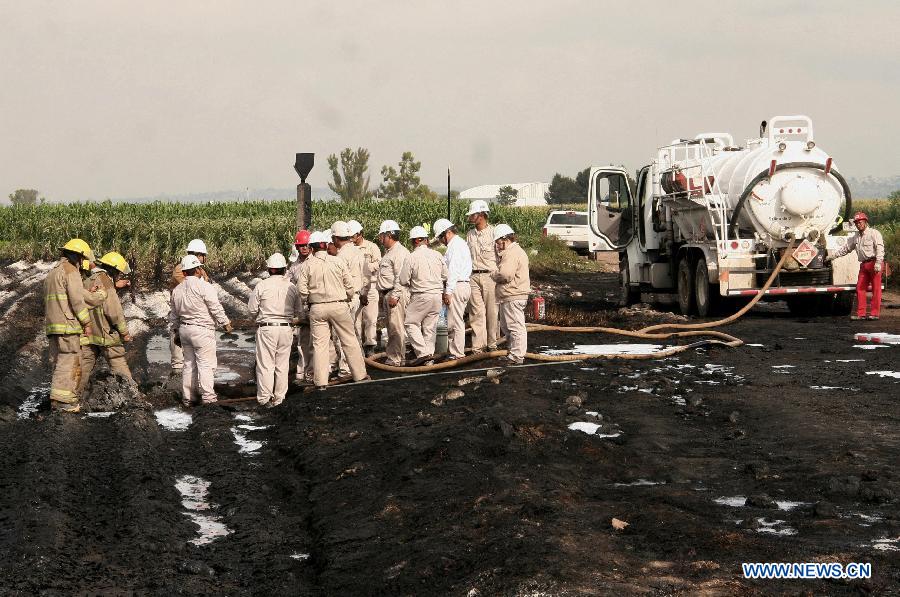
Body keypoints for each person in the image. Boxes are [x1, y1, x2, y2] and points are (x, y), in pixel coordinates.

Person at [297, 232, 368, 388]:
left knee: (320, 345)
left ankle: (321, 382)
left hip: (317, 308)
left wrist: (309, 300)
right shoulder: (338, 262)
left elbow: (301, 291)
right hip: (339, 305)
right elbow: (349, 286)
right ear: (327, 244)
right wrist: (348, 297)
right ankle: (360, 375)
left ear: (311, 248)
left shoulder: (306, 266)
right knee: (349, 340)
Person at [169, 255, 232, 406]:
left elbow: (174, 315)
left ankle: (188, 398)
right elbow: (215, 307)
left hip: (185, 330)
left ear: (184, 272)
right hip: (202, 331)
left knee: (189, 364)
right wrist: (225, 323)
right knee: (205, 364)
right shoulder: (204, 287)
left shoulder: (177, 290)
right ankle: (209, 398)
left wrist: (176, 331)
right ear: (198, 269)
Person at [44, 239, 98, 412]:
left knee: (59, 361)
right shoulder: (71, 271)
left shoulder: (53, 272)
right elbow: (76, 301)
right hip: (67, 325)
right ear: (79, 257)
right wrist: (87, 323)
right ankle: (62, 402)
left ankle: (60, 399)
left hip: (53, 325)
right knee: (69, 360)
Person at [249, 253, 302, 407]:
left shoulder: (261, 285)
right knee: (282, 365)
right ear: (284, 269)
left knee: (266, 365)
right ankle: (279, 399)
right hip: (285, 328)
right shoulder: (291, 287)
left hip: (267, 328)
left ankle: (265, 398)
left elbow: (252, 310)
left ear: (269, 269)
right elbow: (299, 310)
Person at [78, 251, 134, 395]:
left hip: (87, 331)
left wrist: (114, 285)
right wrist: (124, 333)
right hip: (105, 332)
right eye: (119, 273)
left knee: (84, 365)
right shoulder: (105, 281)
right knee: (117, 360)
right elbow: (113, 311)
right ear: (114, 270)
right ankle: (131, 395)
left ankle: (74, 396)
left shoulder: (89, 277)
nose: (119, 276)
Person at [399, 226, 448, 361]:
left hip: (421, 295)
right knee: (429, 327)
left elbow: (403, 280)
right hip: (437, 296)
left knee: (410, 323)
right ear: (426, 240)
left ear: (413, 242)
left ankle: (422, 353)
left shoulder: (411, 257)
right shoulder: (437, 255)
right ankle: (429, 358)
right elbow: (445, 275)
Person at [827, 211, 886, 320]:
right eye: (857, 223)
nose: (858, 224)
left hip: (874, 263)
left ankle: (874, 314)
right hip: (864, 265)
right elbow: (846, 249)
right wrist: (833, 256)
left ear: (865, 222)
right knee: (860, 288)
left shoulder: (874, 233)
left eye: (860, 222)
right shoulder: (856, 237)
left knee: (876, 289)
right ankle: (861, 314)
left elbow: (880, 248)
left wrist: (878, 262)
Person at [168, 239, 210, 374]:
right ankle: (177, 369)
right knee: (177, 334)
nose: (205, 258)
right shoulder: (180, 269)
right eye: (203, 255)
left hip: (196, 312)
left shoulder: (201, 271)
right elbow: (190, 287)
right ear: (198, 255)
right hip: (183, 311)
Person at [491, 224, 531, 364]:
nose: (497, 245)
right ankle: (513, 352)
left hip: (513, 294)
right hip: (510, 295)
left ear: (505, 239)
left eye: (497, 242)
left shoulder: (511, 253)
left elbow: (505, 274)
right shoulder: (514, 252)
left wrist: (494, 275)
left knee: (514, 326)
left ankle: (517, 355)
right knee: (508, 326)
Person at [433, 218, 472, 360]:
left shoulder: (456, 246)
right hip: (460, 285)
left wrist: (448, 291)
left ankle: (457, 353)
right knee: (452, 321)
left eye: (440, 237)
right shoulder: (457, 244)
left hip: (457, 285)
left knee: (455, 322)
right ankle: (454, 351)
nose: (441, 240)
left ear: (447, 233)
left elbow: (453, 271)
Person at [331, 221, 366, 376]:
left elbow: (341, 280)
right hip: (358, 295)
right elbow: (364, 275)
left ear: (336, 238)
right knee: (354, 332)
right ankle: (360, 362)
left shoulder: (342, 256)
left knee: (342, 335)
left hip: (348, 298)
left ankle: (346, 368)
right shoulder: (357, 251)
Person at [465, 200, 500, 353]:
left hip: (490, 276)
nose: (471, 217)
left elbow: (500, 256)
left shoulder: (493, 233)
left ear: (481, 215)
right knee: (476, 313)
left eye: (473, 214)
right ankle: (478, 347)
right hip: (473, 276)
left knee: (492, 312)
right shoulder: (470, 235)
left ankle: (492, 344)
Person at [376, 220, 410, 366]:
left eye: (382, 236)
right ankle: (398, 357)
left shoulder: (399, 252)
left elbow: (400, 277)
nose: (380, 239)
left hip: (395, 294)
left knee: (396, 327)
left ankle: (395, 358)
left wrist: (395, 295)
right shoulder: (390, 252)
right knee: (391, 327)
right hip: (388, 294)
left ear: (389, 235)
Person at [348, 220, 382, 356]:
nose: (352, 239)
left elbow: (379, 263)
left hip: (371, 286)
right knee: (355, 320)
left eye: (354, 236)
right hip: (355, 289)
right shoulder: (349, 249)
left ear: (360, 234)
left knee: (371, 318)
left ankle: (370, 345)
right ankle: (357, 347)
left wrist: (367, 268)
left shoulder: (371, 247)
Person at [287, 230, 314, 383]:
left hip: (314, 305)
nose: (303, 248)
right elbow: (288, 283)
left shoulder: (315, 261)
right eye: (301, 246)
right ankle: (301, 372)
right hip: (301, 307)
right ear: (297, 247)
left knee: (316, 341)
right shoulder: (294, 266)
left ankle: (313, 372)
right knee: (302, 342)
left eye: (306, 245)